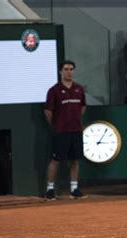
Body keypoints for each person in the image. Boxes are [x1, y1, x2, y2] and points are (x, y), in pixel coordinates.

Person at [44, 60, 87, 200]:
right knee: (55, 160)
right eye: (66, 69)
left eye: (71, 69)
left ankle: (74, 189)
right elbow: (48, 112)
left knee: (74, 160)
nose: (69, 72)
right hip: (61, 132)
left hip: (76, 131)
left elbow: (83, 107)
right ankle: (50, 190)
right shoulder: (54, 90)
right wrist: (57, 125)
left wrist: (75, 119)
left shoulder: (79, 89)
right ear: (60, 72)